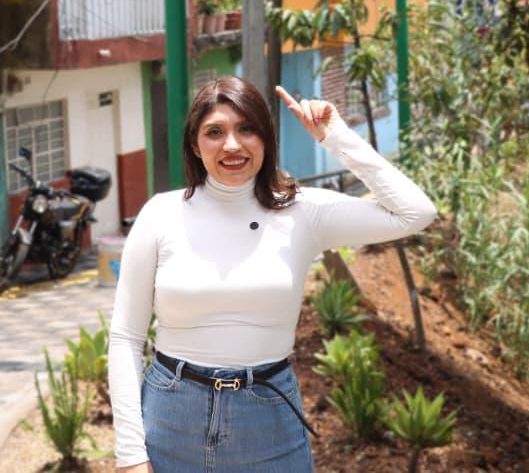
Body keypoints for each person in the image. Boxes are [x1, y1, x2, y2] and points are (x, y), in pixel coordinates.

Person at [108, 76, 437, 472]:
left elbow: (415, 213)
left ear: (266, 138)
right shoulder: (161, 214)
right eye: (215, 132)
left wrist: (334, 136)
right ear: (195, 145)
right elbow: (125, 337)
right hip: (171, 417)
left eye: (247, 128)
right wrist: (131, 454)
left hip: (267, 419)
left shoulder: (302, 213)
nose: (232, 145)